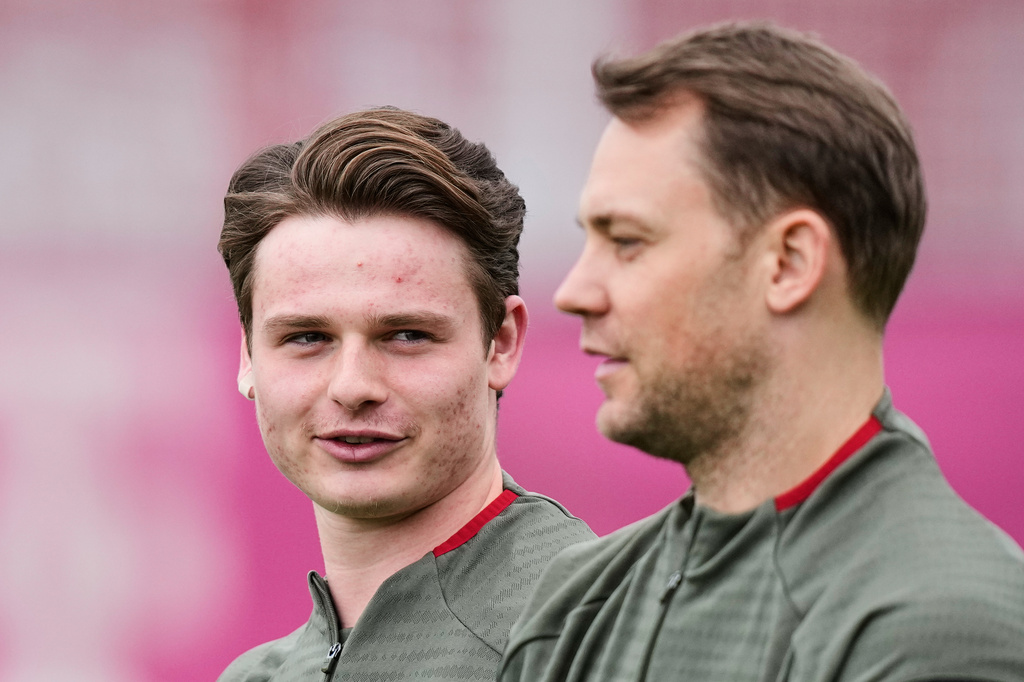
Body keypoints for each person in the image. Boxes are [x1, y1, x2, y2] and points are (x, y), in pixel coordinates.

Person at [499, 21, 1024, 682]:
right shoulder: (577, 606)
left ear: (787, 263)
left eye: (626, 240)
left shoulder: (938, 622)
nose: (574, 291)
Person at [215, 107, 593, 681]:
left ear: (501, 343)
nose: (352, 387)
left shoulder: (599, 634)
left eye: (407, 335)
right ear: (248, 357)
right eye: (306, 337)